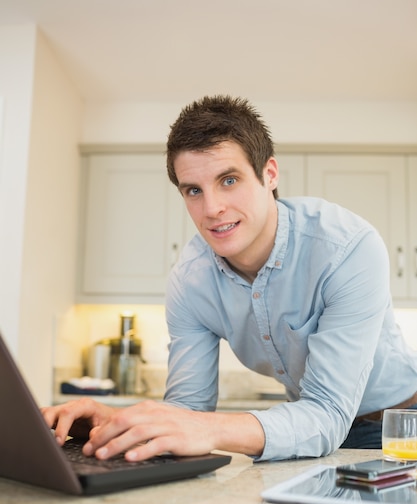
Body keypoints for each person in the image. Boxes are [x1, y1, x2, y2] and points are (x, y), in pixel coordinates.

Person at [42, 95, 417, 463]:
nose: (212, 209)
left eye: (229, 180)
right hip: (303, 427)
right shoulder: (190, 282)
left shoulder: (346, 249)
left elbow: (327, 412)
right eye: (193, 190)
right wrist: (119, 423)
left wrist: (210, 428)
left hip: (399, 425)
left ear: (269, 174)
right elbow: (186, 410)